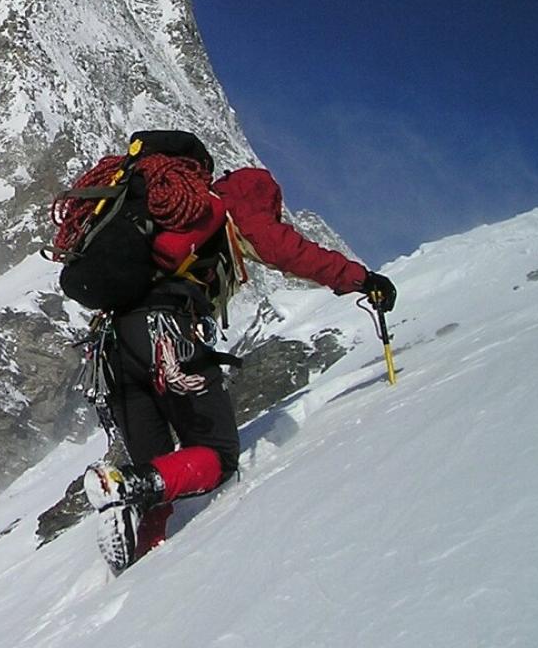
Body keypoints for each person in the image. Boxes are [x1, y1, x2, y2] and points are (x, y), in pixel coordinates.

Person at [80, 149, 398, 571]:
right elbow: (288, 251)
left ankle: (141, 561)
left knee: (157, 467)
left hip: (112, 349)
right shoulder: (230, 204)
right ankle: (125, 487)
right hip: (165, 335)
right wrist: (363, 279)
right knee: (218, 453)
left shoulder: (159, 218)